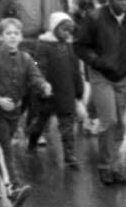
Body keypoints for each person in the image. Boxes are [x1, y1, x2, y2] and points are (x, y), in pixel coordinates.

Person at [75, 0, 126, 187]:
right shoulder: (94, 17)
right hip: (101, 75)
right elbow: (79, 46)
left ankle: (115, 165)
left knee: (120, 123)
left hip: (124, 76)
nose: (125, 3)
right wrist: (97, 62)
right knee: (109, 120)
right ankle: (105, 165)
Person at [0, 17, 50, 207]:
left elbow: (35, 74)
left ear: (20, 36)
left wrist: (43, 85)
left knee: (1, 150)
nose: (12, 37)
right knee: (5, 149)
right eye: (8, 34)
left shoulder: (27, 59)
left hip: (16, 112)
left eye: (16, 33)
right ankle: (13, 189)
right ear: (1, 37)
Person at [29, 12, 85, 167]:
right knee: (40, 121)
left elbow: (75, 70)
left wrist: (79, 90)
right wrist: (42, 87)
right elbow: (40, 67)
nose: (67, 33)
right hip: (48, 93)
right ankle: (32, 140)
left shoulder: (69, 46)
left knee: (67, 125)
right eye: (63, 29)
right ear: (54, 28)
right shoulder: (44, 45)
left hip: (67, 92)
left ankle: (70, 154)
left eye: (69, 30)